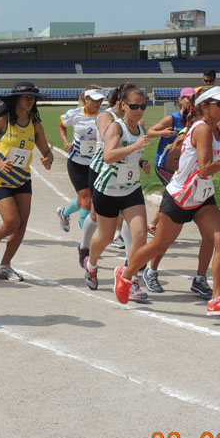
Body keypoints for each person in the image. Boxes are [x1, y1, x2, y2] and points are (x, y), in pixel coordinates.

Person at [114, 86, 220, 315]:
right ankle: (125, 274)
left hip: (202, 197)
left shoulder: (218, 129)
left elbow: (206, 168)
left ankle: (217, 299)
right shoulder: (202, 129)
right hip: (180, 197)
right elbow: (205, 168)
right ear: (204, 107)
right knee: (158, 246)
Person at [0, 81, 54, 280]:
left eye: (33, 98)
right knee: (12, 221)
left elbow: (46, 151)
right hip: (0, 178)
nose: (30, 101)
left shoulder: (35, 125)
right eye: (26, 97)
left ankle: (4, 266)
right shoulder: (2, 120)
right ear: (16, 99)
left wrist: (48, 159)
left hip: (22, 179)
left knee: (21, 225)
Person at [85, 86, 152, 296]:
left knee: (140, 235)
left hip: (131, 188)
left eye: (143, 106)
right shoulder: (116, 127)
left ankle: (128, 279)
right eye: (134, 106)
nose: (139, 110)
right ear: (123, 105)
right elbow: (108, 156)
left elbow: (131, 156)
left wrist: (141, 162)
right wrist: (134, 147)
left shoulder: (140, 128)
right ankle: (91, 265)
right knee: (105, 237)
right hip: (108, 189)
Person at [56, 86, 105, 236]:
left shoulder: (105, 116)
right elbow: (62, 126)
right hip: (76, 163)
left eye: (101, 100)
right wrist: (65, 142)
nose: (99, 103)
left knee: (85, 199)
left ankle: (64, 213)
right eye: (95, 100)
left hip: (96, 164)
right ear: (86, 99)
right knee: (87, 200)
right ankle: (86, 240)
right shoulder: (74, 114)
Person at [146, 87, 195, 237]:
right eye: (188, 98)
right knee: (174, 195)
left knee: (173, 194)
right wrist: (163, 133)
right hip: (163, 164)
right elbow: (150, 132)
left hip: (180, 165)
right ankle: (154, 225)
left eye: (193, 99)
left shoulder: (193, 120)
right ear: (181, 100)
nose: (190, 101)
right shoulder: (172, 119)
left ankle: (153, 225)